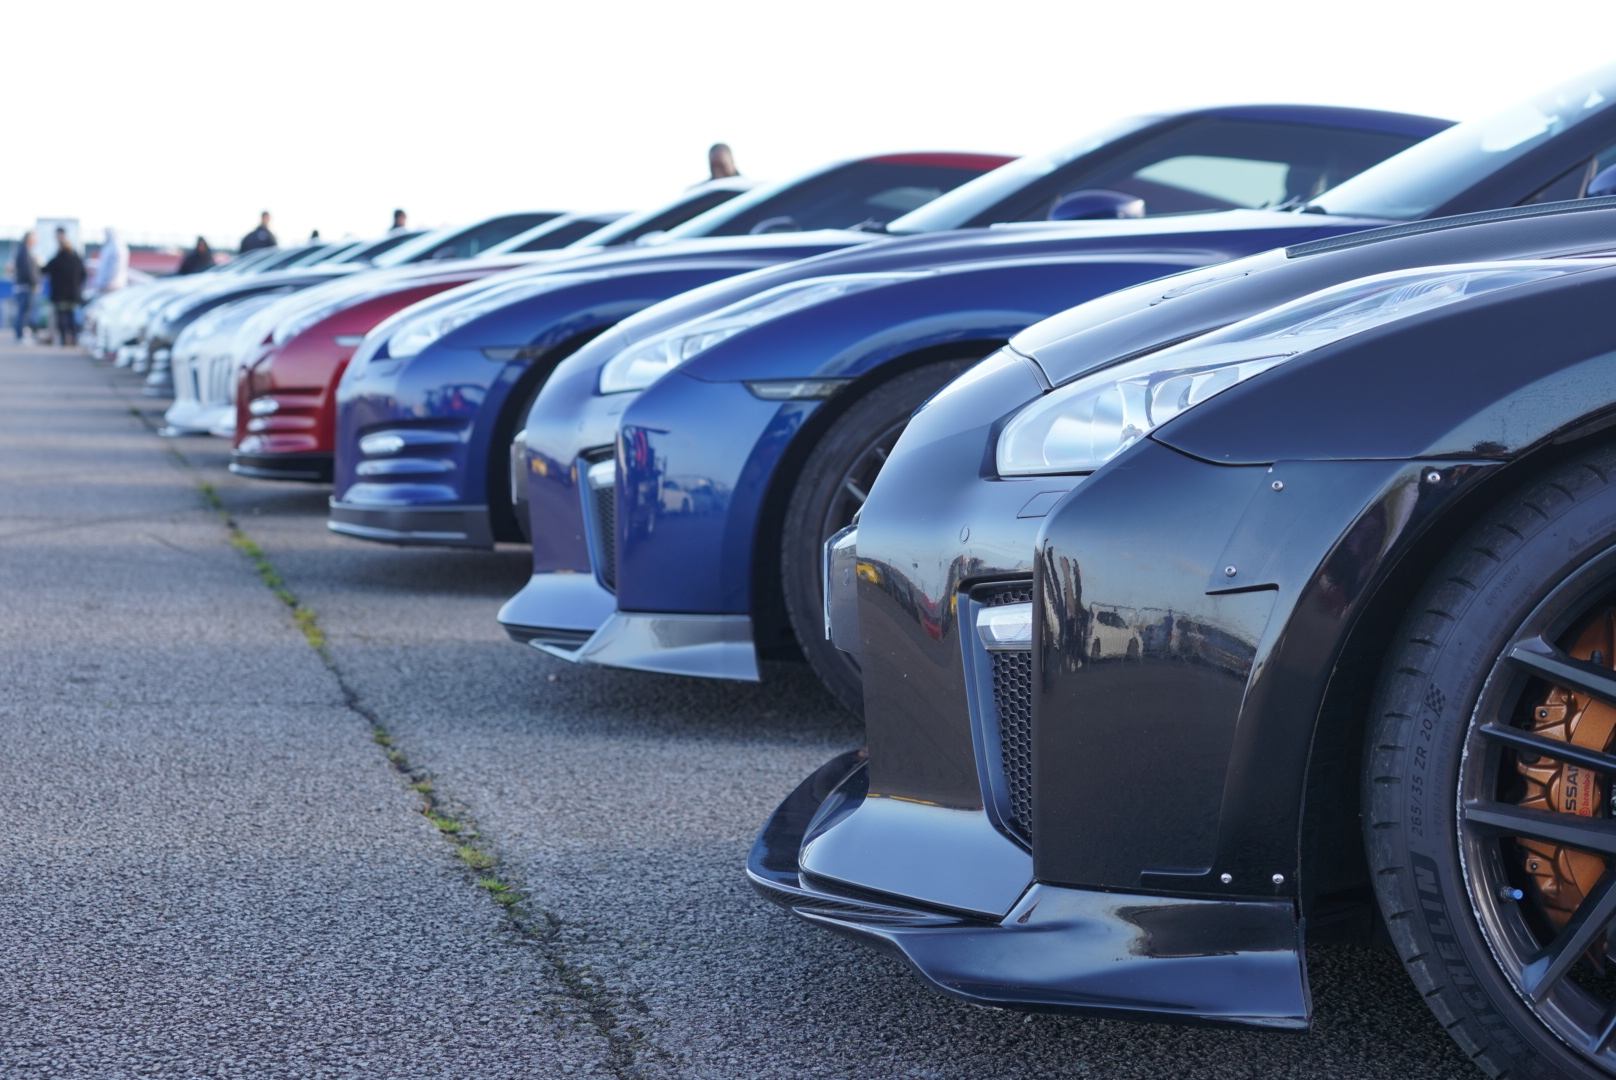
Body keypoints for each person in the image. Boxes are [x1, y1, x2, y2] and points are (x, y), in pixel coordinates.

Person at [43, 228, 85, 347]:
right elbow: (83, 274)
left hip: (60, 294)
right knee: (71, 315)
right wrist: (77, 285)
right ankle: (74, 338)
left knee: (61, 316)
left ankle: (63, 339)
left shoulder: (56, 259)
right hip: (72, 294)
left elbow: (45, 270)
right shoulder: (76, 259)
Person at [12, 231, 38, 341]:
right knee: (23, 312)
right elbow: (27, 270)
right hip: (25, 287)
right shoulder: (24, 252)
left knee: (23, 312)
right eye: (35, 239)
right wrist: (34, 283)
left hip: (24, 286)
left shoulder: (23, 251)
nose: (36, 241)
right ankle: (20, 336)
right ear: (29, 239)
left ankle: (21, 335)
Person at [90, 226, 128, 296]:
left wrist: (109, 282)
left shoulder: (116, 247)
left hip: (112, 285)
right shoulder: (109, 246)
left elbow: (116, 267)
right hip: (106, 284)